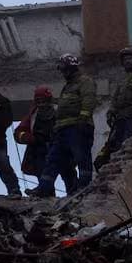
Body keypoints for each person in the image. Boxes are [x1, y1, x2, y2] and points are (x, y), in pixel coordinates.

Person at [47, 54, 95, 194]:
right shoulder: (67, 86)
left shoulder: (84, 81)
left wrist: (83, 119)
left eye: (65, 69)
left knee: (82, 157)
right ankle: (45, 186)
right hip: (63, 129)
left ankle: (84, 186)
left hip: (77, 126)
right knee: (54, 158)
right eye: (62, 70)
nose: (63, 73)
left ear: (72, 68)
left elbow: (89, 99)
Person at [15, 86, 58, 197]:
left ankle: (73, 193)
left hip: (57, 147)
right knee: (42, 172)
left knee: (67, 171)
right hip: (39, 148)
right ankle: (46, 195)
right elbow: (19, 132)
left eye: (43, 100)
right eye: (38, 101)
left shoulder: (58, 112)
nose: (41, 103)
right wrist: (28, 137)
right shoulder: (33, 114)